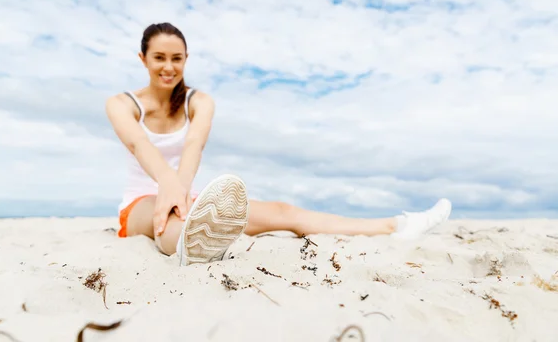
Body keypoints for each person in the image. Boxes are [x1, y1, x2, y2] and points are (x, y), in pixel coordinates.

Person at [105, 23, 452, 266]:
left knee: (284, 213)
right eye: (159, 58)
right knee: (166, 218)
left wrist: (180, 191)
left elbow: (195, 143)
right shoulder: (121, 103)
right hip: (140, 203)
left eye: (176, 58)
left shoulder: (200, 101)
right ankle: (191, 247)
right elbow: (139, 144)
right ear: (143, 59)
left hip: (189, 198)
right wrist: (168, 186)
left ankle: (396, 226)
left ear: (186, 59)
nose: (169, 67)